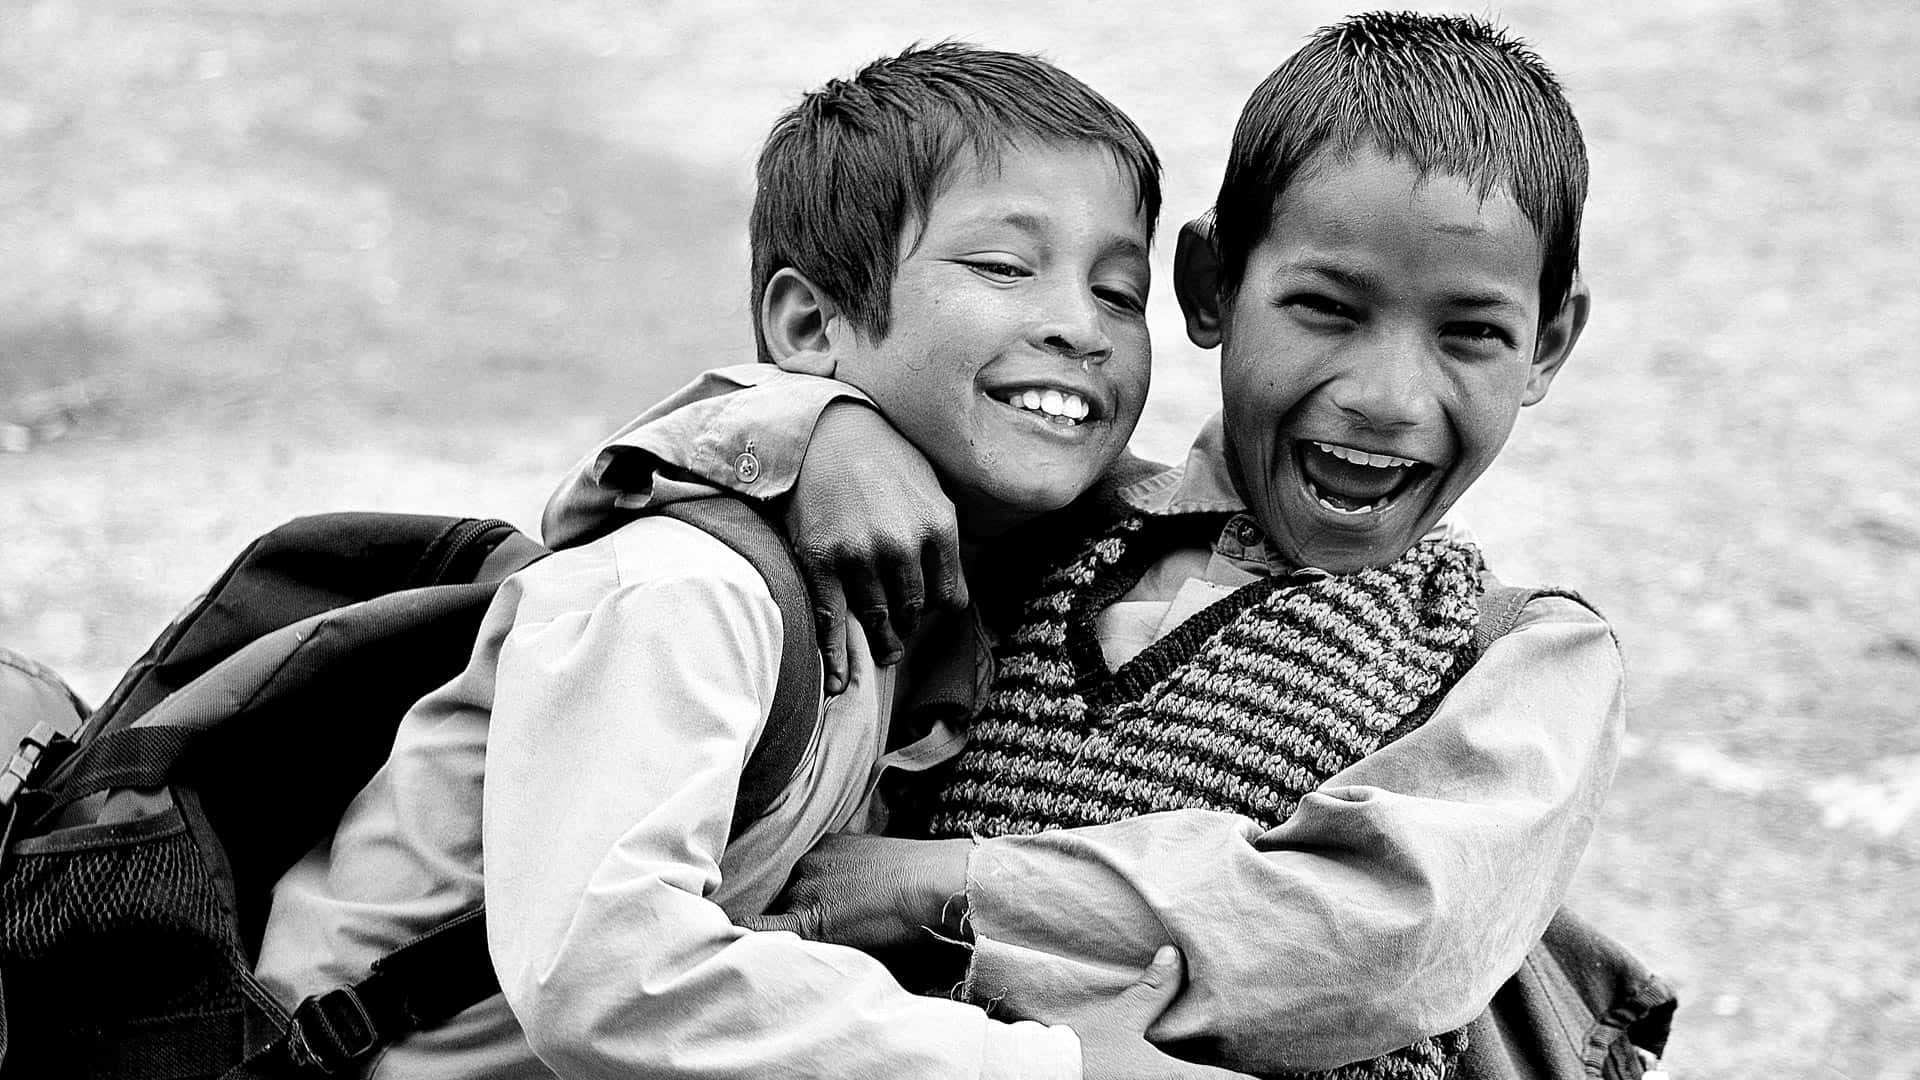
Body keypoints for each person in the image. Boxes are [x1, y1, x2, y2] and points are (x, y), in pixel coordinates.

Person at [590, 12, 1638, 1077]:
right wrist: (816, 428)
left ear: (1548, 344)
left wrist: (928, 885)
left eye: (1471, 333)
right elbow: (627, 507)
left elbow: (1382, 934)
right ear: (1210, 287)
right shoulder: (1034, 525)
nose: (1386, 397)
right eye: (1326, 308)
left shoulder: (1522, 657)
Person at [254, 43, 1250, 1080]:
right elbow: (608, 979)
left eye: (1120, 291)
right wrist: (1050, 1066)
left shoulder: (965, 582)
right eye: (1005, 266)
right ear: (810, 324)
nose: (1079, 327)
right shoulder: (687, 589)